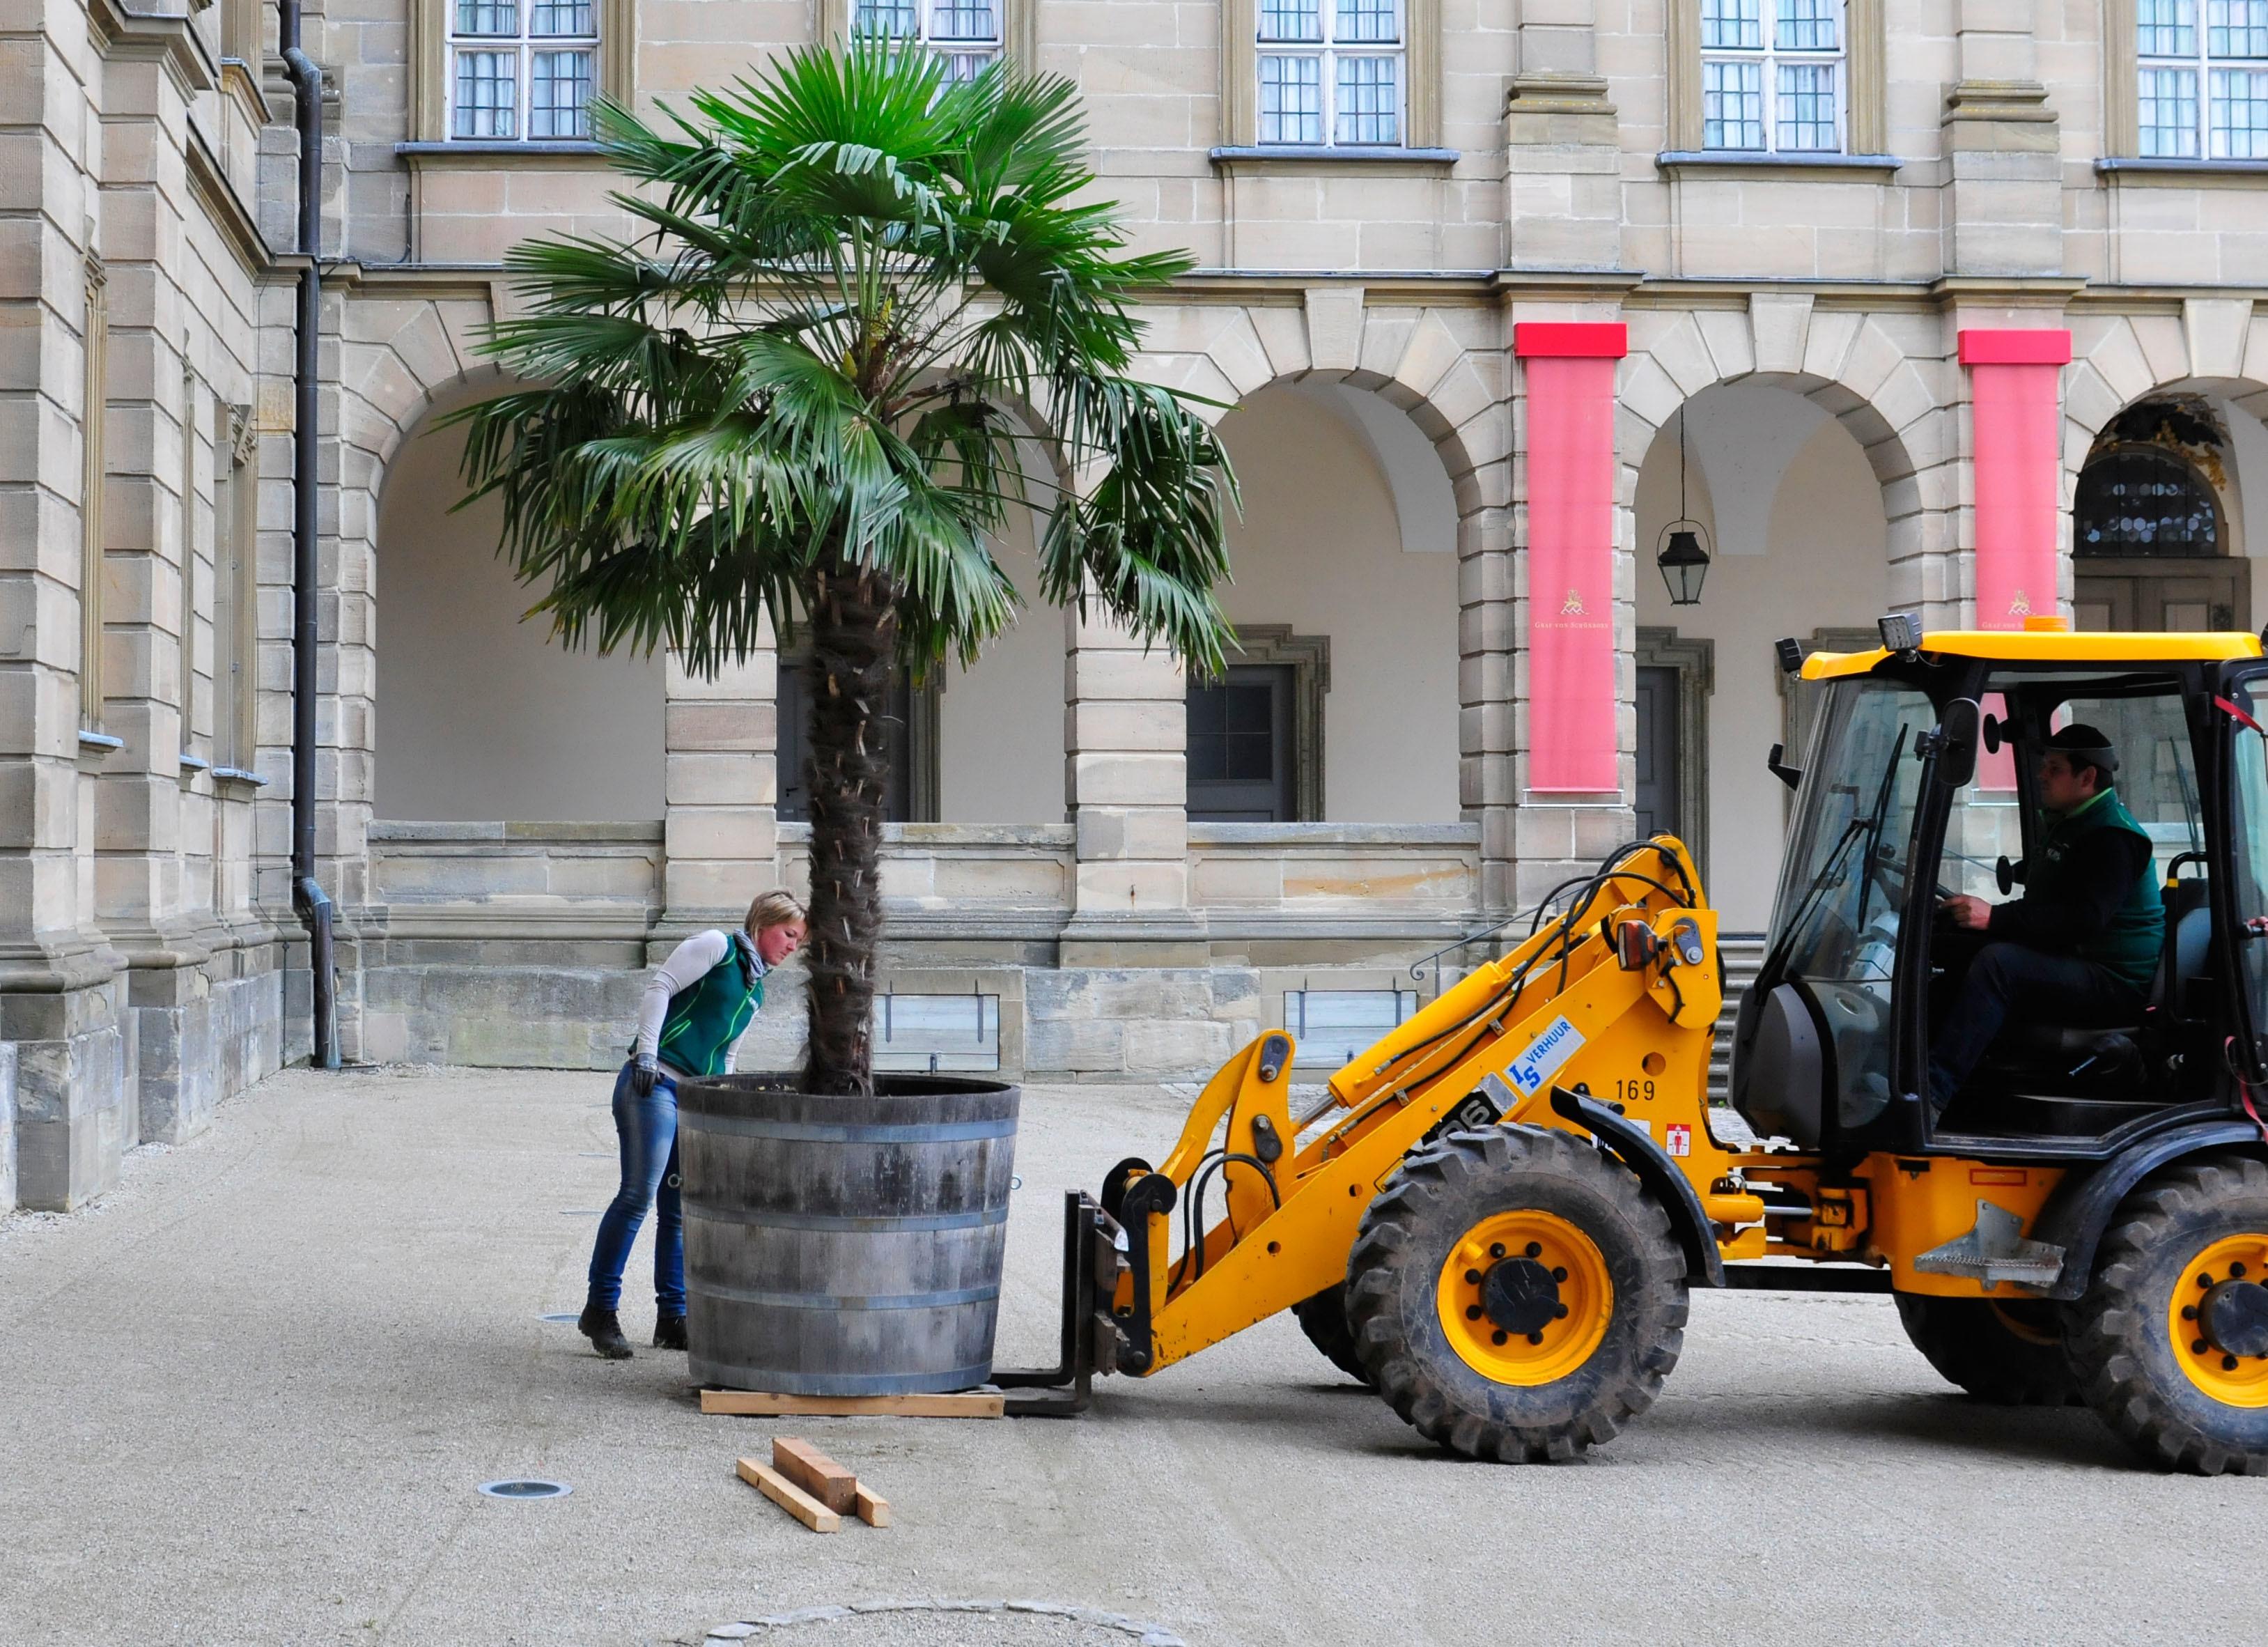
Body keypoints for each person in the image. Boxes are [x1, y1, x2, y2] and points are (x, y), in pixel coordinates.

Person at [578, 889, 808, 1360]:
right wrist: (645, 1053)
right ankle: (600, 1308)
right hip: (653, 1084)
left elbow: (727, 1054)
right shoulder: (717, 946)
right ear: (763, 924)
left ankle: (673, 1318)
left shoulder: (756, 989)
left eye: (798, 941)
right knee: (637, 1195)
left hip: (693, 1098)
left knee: (679, 1210)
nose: (792, 946)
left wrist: (722, 1101)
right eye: (789, 934)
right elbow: (660, 986)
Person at [1928, 725, 2164, 1113]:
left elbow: (2082, 919)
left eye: (2053, 768)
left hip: (2111, 980)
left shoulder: (2113, 837)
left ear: (2087, 777)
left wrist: (1995, 918)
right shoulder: (2072, 822)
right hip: (2075, 958)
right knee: (1947, 942)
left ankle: (1934, 1095)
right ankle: (1920, 1072)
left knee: (1998, 963)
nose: (2041, 775)